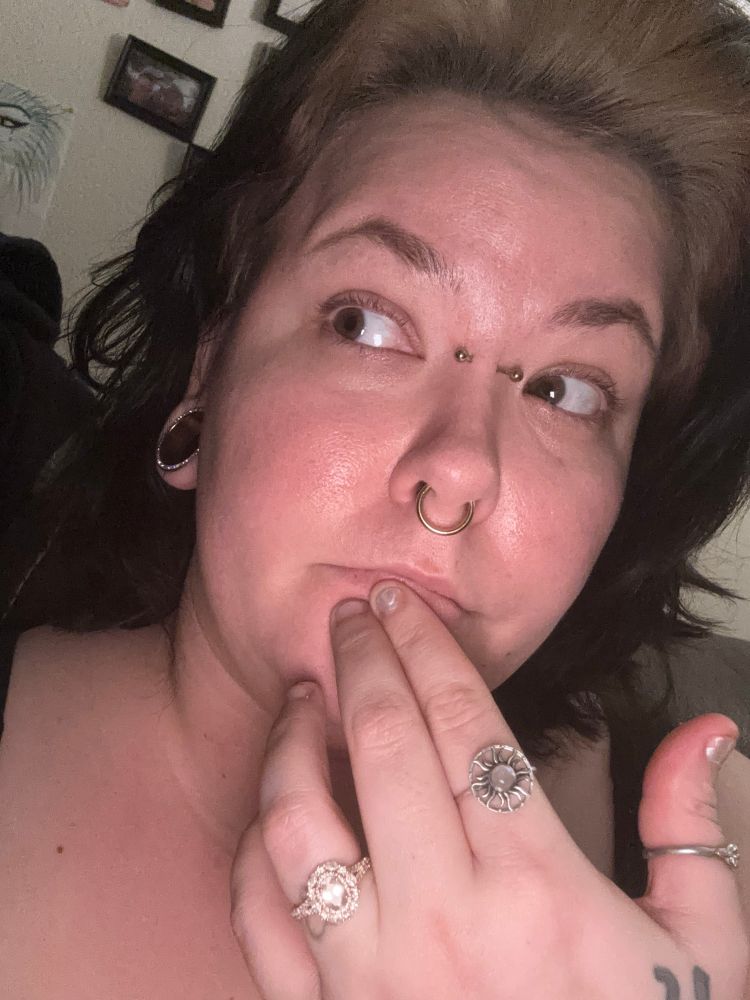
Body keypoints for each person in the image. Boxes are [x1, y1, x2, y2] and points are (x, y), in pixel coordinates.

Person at [1, 0, 749, 996]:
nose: (459, 470)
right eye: (365, 323)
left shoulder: (703, 862)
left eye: (567, 390)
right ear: (211, 367)